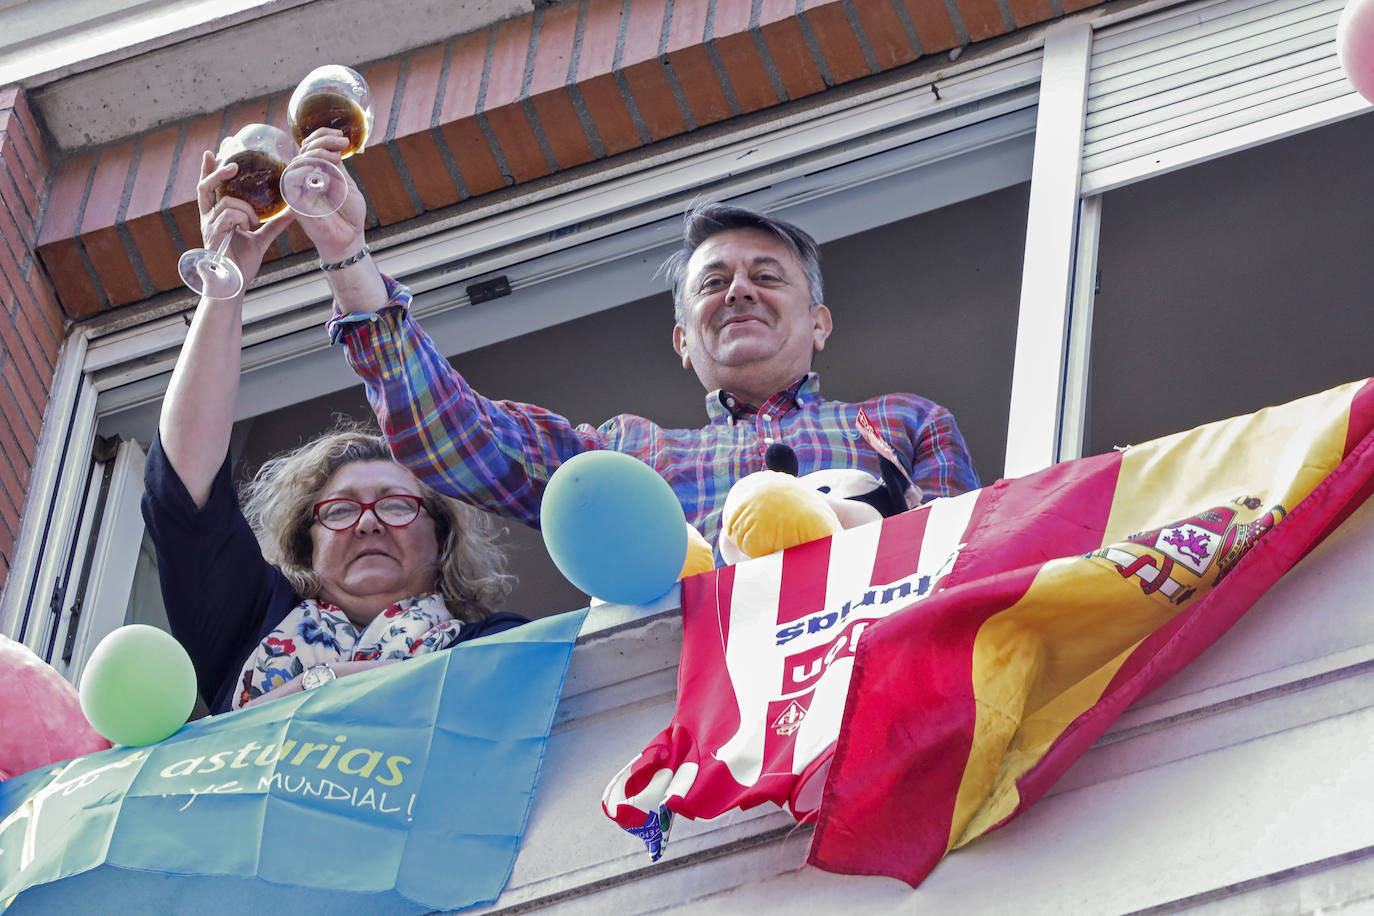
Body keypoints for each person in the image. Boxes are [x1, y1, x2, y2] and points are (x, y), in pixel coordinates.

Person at [295, 129, 980, 548]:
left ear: (820, 323)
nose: (739, 291)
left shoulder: (906, 423)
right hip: (705, 723)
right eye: (713, 283)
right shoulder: (628, 458)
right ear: (683, 340)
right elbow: (457, 438)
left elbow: (961, 562)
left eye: (767, 277)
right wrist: (348, 256)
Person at [143, 147, 524, 716]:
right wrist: (225, 290)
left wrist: (318, 686)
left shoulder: (496, 644)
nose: (368, 522)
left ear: (441, 535)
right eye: (340, 510)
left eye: (395, 504)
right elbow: (181, 490)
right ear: (308, 543)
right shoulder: (252, 619)